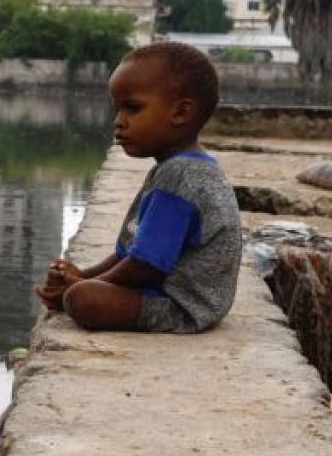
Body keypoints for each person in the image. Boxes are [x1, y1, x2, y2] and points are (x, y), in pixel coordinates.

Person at [34, 42, 242, 333]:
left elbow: (145, 266)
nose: (119, 122)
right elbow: (130, 253)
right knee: (80, 290)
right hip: (182, 297)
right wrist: (84, 275)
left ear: (180, 113)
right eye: (118, 109)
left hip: (182, 307)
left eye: (132, 108)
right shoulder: (183, 166)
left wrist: (82, 285)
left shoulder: (180, 175)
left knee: (82, 300)